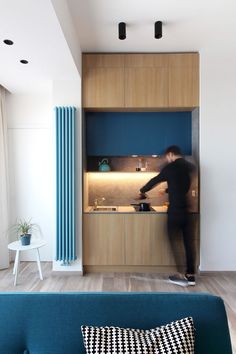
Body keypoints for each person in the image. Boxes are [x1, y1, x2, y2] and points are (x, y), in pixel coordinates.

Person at [138, 145, 196, 286]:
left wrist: (142, 190)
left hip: (175, 211)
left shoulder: (170, 168)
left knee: (172, 240)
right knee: (188, 244)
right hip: (187, 212)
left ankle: (180, 274)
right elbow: (184, 186)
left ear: (170, 154)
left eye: (167, 157)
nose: (167, 159)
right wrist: (168, 189)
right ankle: (190, 275)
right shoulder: (189, 166)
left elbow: (155, 180)